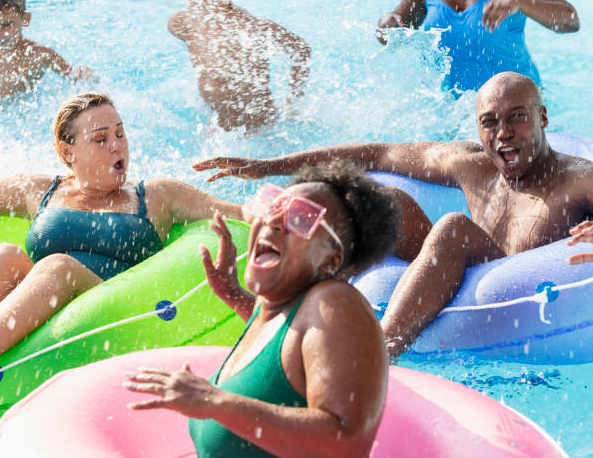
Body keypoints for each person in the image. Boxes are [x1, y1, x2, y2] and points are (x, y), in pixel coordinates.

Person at [192, 71, 593, 356]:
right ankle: (292, 313)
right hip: (462, 270)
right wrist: (267, 166)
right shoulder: (472, 164)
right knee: (385, 203)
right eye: (489, 122)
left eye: (517, 117)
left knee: (451, 228)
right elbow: (376, 154)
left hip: (527, 297)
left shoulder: (578, 179)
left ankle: (380, 354)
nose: (502, 132)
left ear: (542, 117)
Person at [124, 161, 396, 458]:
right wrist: (232, 293)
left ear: (331, 258)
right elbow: (285, 356)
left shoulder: (334, 302)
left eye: (300, 218)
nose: (275, 220)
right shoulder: (272, 311)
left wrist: (214, 401)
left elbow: (345, 447)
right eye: (274, 205)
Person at [0, 91, 242, 364]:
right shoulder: (40, 189)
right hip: (41, 306)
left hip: (112, 312)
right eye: (100, 139)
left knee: (59, 266)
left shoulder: (156, 195)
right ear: (67, 151)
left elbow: (240, 215)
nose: (117, 146)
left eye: (120, 134)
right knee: (5, 256)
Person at [376, 0, 579, 92]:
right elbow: (391, 36)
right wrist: (387, 22)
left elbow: (570, 20)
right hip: (453, 108)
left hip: (513, 104)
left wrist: (522, 3)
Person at [168, 0, 311, 133]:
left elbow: (301, 49)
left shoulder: (250, 31)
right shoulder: (182, 23)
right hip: (215, 118)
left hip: (257, 130)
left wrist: (293, 105)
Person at [0, 0, 96, 101]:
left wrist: (84, 74)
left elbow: (72, 75)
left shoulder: (41, 55)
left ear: (25, 19)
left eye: (7, 24)